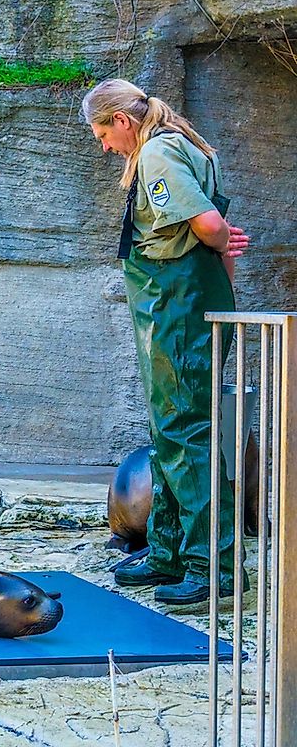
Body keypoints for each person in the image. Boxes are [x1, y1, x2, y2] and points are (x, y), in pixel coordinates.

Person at [84, 78, 249, 606]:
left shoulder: (157, 151)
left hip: (177, 295)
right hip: (173, 293)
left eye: (103, 134)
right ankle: (169, 551)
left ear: (123, 121)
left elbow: (206, 223)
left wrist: (221, 237)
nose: (105, 147)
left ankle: (215, 567)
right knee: (168, 426)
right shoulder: (180, 143)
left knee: (186, 429)